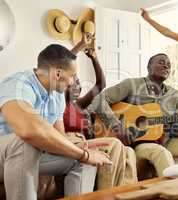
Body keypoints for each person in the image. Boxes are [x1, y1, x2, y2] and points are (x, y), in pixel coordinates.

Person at [0, 44, 112, 200]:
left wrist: (80, 149)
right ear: (58, 73)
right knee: (25, 142)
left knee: (88, 161)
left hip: (32, 156)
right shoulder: (19, 84)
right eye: (72, 75)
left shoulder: (57, 95)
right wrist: (83, 154)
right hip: (5, 155)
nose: (73, 81)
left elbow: (59, 136)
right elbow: (29, 132)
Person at [87, 53, 178, 177]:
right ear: (149, 67)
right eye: (161, 62)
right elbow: (99, 99)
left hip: (167, 141)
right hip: (138, 143)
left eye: (169, 65)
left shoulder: (174, 95)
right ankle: (175, 193)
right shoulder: (132, 85)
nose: (166, 65)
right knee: (160, 152)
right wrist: (117, 126)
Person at [64, 34, 138, 189]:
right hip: (70, 142)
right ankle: (105, 195)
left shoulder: (80, 104)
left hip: (86, 142)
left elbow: (101, 84)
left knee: (129, 152)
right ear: (65, 82)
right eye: (74, 82)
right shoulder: (61, 102)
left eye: (79, 83)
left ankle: (126, 193)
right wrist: (80, 44)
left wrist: (94, 58)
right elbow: (61, 64)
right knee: (115, 144)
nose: (78, 86)